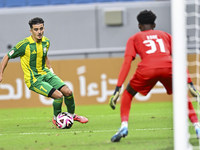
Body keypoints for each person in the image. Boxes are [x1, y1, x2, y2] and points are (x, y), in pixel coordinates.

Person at [109, 10, 200, 142]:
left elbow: (127, 63)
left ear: (139, 25)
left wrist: (118, 88)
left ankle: (124, 126)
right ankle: (197, 126)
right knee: (181, 95)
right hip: (169, 67)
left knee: (128, 94)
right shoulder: (167, 36)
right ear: (154, 24)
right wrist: (189, 82)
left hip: (147, 69)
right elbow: (179, 57)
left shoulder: (134, 38)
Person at [0, 17, 88, 128]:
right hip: (34, 79)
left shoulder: (46, 42)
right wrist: (1, 73)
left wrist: (51, 72)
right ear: (31, 31)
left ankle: (71, 115)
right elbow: (7, 56)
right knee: (58, 96)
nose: (39, 32)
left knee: (68, 92)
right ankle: (56, 119)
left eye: (41, 29)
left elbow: (45, 57)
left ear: (44, 28)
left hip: (46, 73)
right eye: (36, 29)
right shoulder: (24, 45)